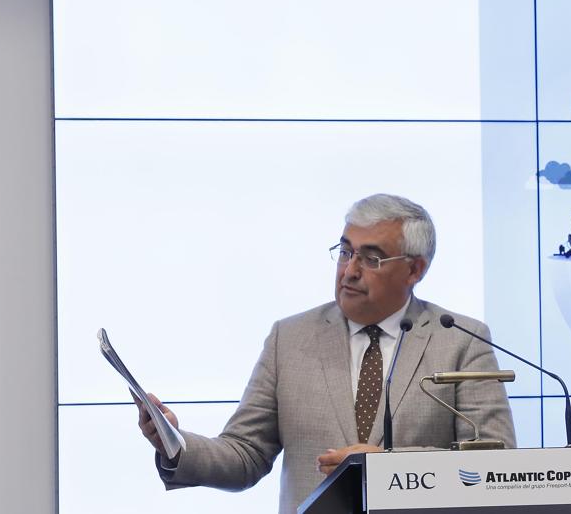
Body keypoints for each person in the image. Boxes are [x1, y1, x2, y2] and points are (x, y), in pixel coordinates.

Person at [134, 194, 516, 513]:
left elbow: (493, 465)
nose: (349, 271)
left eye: (371, 258)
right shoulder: (291, 337)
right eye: (345, 252)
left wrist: (395, 469)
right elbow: (246, 454)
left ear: (414, 269)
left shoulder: (461, 341)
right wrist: (175, 443)